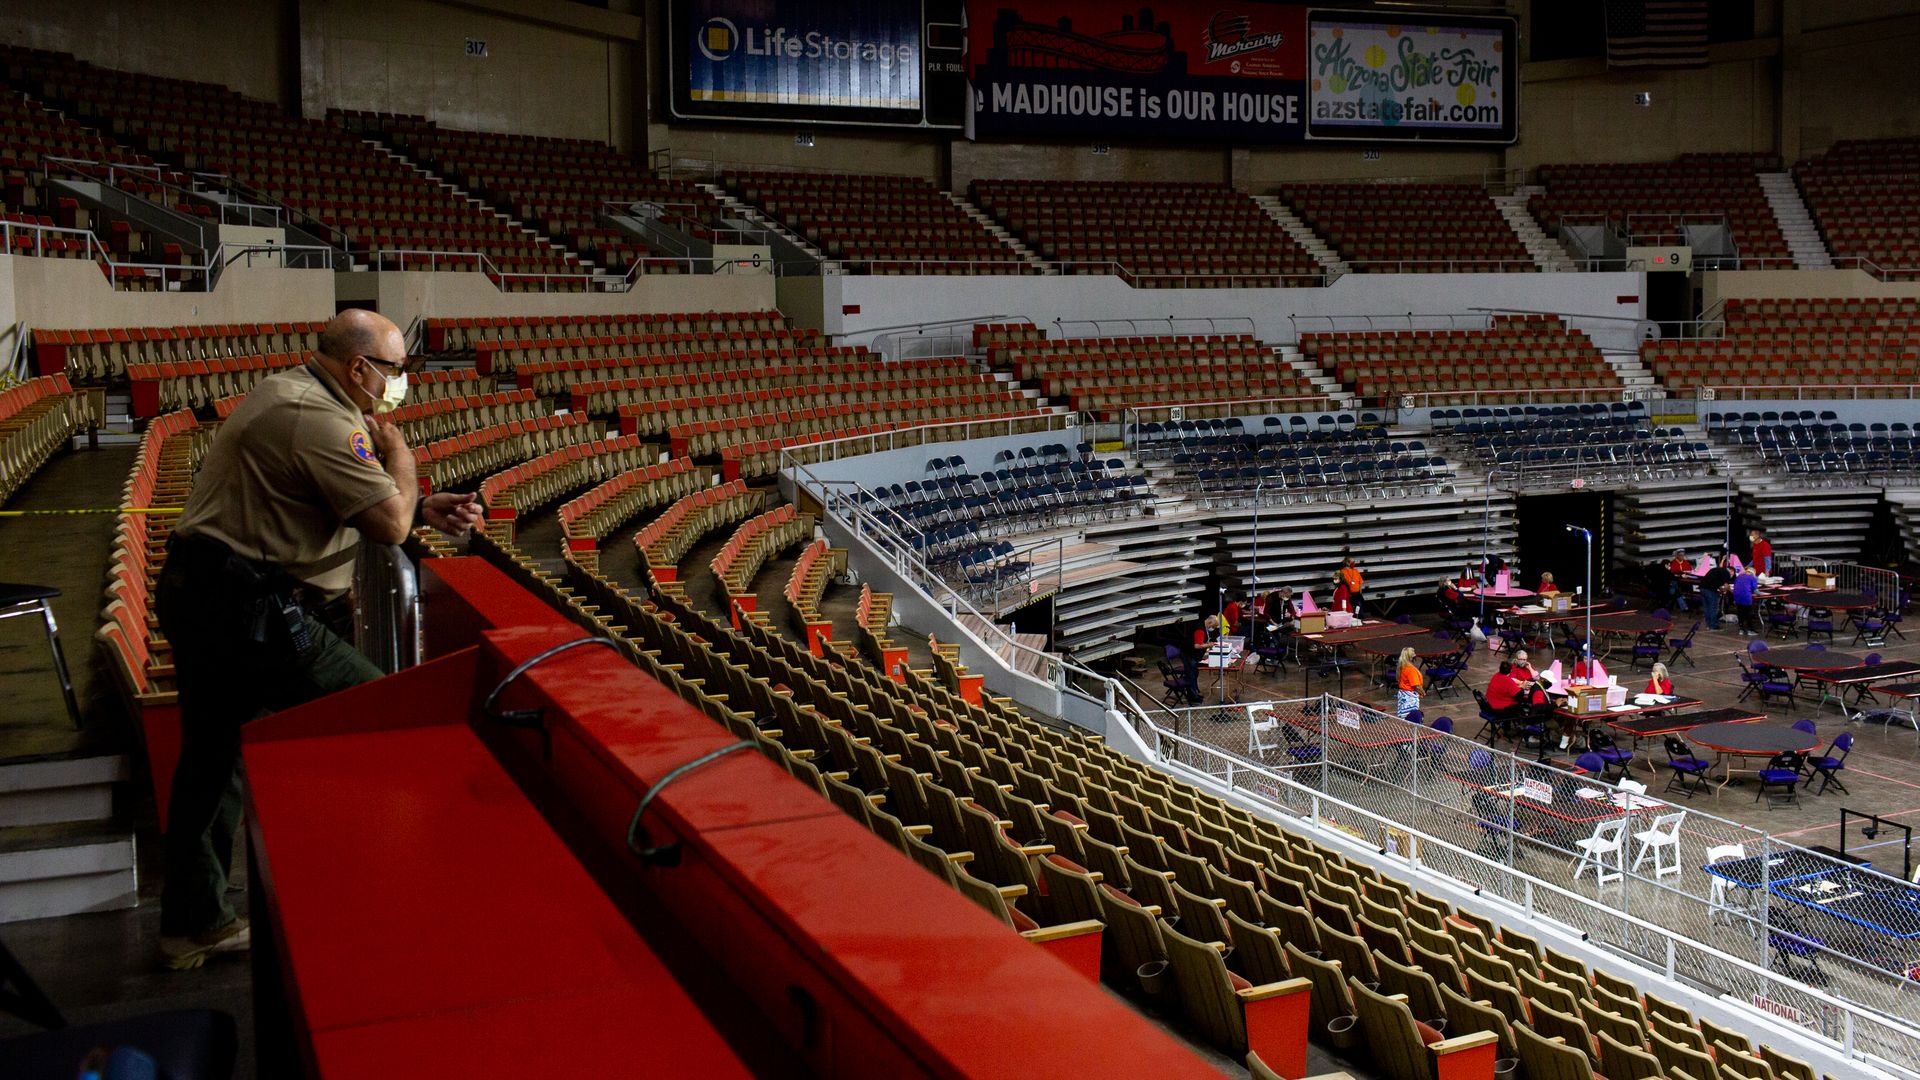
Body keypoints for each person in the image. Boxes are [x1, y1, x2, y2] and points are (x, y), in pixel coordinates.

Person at [155, 309, 485, 971]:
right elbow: (388, 526)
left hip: (209, 594)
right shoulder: (321, 419)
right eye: (395, 370)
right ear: (358, 367)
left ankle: (194, 924)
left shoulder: (294, 393)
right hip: (247, 608)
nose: (401, 384)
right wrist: (404, 464)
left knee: (213, 759)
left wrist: (421, 501)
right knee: (384, 718)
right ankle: (377, 896)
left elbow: (331, 493)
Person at [1700, 558, 1734, 630]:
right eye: (1732, 573)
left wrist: (1721, 589)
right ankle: (1713, 625)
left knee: (1707, 608)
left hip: (1702, 588)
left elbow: (1716, 582)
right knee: (1713, 608)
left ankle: (1708, 624)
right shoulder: (1726, 573)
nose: (1732, 575)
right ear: (1731, 571)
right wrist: (1733, 591)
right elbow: (1726, 586)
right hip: (1710, 590)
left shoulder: (1716, 570)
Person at [1396, 646, 1424, 719]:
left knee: (1403, 716)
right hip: (1410, 697)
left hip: (1403, 695)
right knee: (1410, 718)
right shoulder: (1411, 670)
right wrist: (1423, 692)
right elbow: (1416, 686)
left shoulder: (1403, 666)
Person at [1732, 564, 1760, 634]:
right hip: (1746, 598)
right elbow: (1756, 591)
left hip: (1737, 597)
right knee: (1748, 613)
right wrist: (1763, 594)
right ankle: (1750, 630)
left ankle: (1741, 629)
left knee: (1740, 613)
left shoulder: (1738, 577)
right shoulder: (1752, 578)